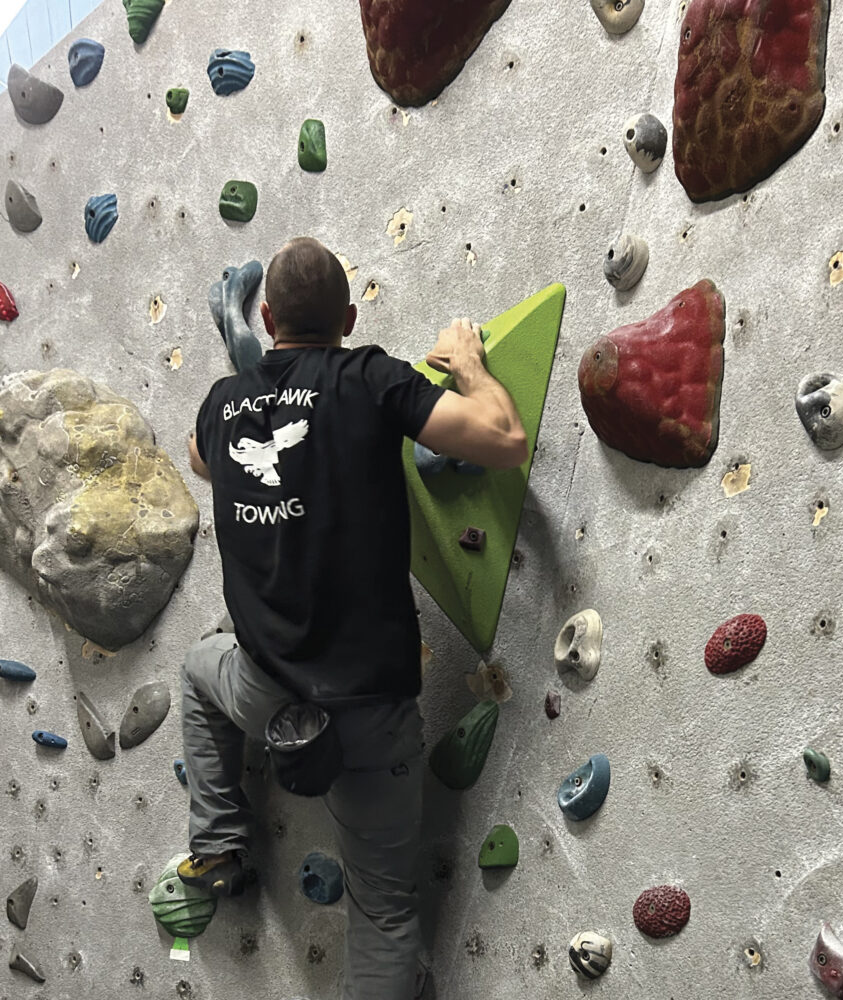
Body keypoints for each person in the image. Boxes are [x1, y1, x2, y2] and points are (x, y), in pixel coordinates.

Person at [178, 236, 527, 999]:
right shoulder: (369, 378)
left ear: (266, 319)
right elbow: (503, 440)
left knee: (198, 673)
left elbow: (203, 461)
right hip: (370, 710)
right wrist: (466, 359)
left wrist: (253, 412)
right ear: (348, 315)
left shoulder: (220, 407)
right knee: (385, 914)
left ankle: (219, 844)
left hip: (264, 692)